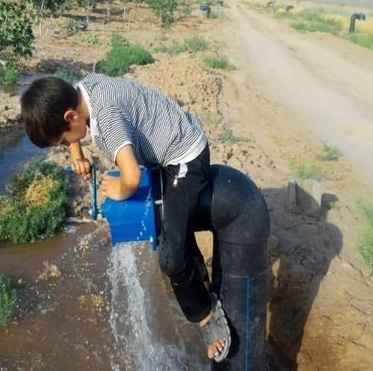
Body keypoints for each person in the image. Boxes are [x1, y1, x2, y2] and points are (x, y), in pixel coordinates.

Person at [20, 73, 231, 362]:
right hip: (166, 144)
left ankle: (206, 317)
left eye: (61, 141)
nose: (64, 145)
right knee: (173, 229)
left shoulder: (106, 124)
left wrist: (119, 190)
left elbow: (131, 177)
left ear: (70, 116)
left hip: (185, 158)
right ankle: (202, 285)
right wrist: (75, 150)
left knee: (170, 257)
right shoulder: (83, 90)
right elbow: (71, 125)